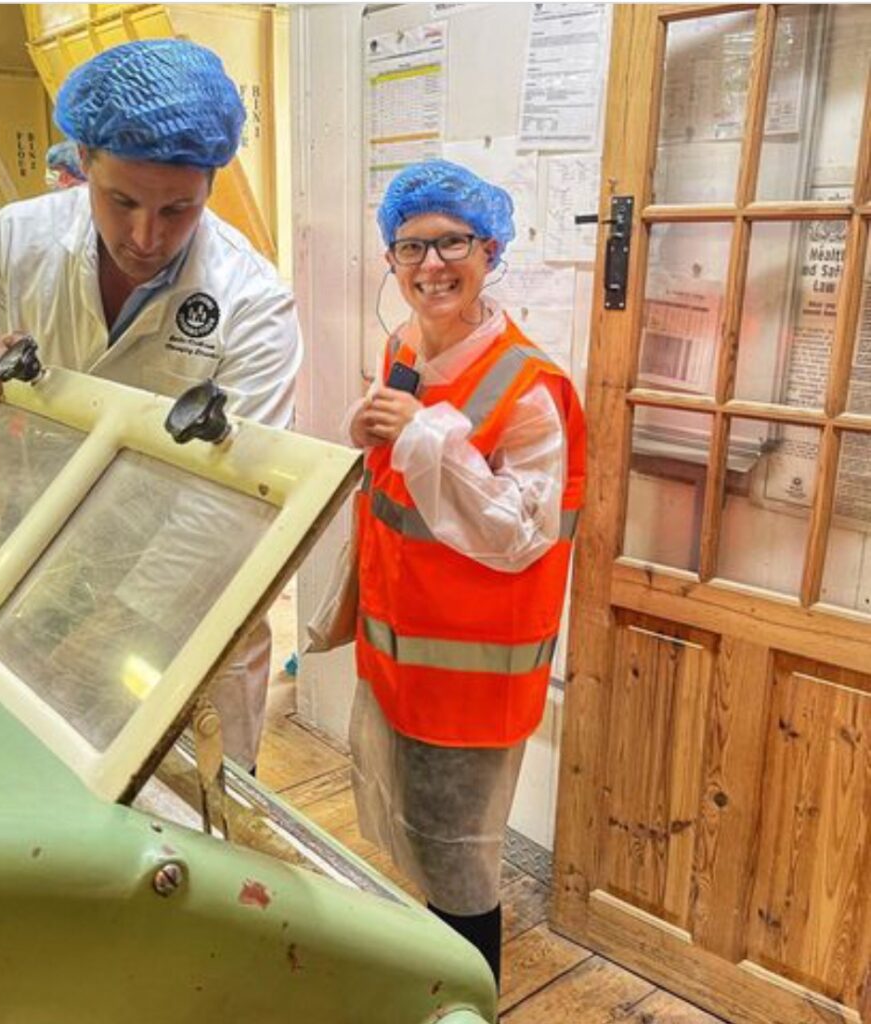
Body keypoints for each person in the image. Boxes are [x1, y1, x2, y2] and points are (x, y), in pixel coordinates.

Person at [0, 39, 303, 772]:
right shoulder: (21, 238)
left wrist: (114, 625)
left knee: (194, 806)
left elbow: (226, 505)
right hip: (37, 553)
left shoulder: (254, 302)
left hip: (182, 588)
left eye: (178, 209)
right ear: (84, 164)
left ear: (209, 186)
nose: (146, 237)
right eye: (122, 201)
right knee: (43, 777)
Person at [347, 160, 586, 985]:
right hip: (394, 655)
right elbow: (402, 493)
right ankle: (421, 985)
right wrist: (373, 427)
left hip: (469, 680)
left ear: (490, 250)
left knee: (458, 866)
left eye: (451, 243)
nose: (429, 265)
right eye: (408, 246)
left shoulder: (529, 388)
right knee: (403, 839)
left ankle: (466, 1001)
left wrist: (422, 432)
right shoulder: (403, 347)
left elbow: (519, 532)